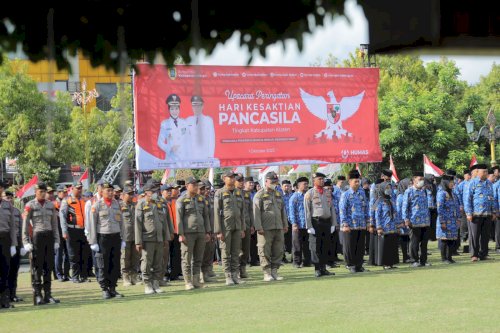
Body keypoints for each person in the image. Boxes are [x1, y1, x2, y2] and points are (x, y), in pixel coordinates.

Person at [22, 182, 60, 305]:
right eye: (40, 192)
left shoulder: (51, 205)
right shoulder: (30, 205)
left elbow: (54, 224)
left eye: (44, 192)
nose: (43, 194)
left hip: (49, 236)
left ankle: (48, 295)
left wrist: (56, 240)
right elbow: (26, 225)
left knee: (48, 267)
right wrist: (26, 242)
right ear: (36, 192)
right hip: (37, 237)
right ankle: (38, 295)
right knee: (37, 268)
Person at [89, 181, 125, 299]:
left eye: (111, 191)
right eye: (107, 191)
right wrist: (93, 241)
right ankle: (104, 289)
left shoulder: (117, 204)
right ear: (102, 191)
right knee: (103, 264)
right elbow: (92, 224)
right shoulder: (97, 205)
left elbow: (122, 223)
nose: (110, 193)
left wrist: (123, 238)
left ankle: (113, 288)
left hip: (115, 236)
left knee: (114, 263)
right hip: (103, 237)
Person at [135, 179, 169, 294]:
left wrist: (165, 238)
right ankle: (147, 284)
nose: (156, 193)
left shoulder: (158, 203)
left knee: (158, 262)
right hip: (147, 238)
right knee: (147, 262)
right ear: (147, 192)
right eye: (153, 191)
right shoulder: (141, 203)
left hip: (159, 238)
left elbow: (163, 222)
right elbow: (138, 224)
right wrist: (138, 242)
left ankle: (156, 283)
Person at [176, 177, 211, 290]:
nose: (196, 187)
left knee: (198, 258)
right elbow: (179, 219)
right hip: (188, 233)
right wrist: (181, 234)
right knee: (186, 258)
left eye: (197, 185)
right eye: (193, 185)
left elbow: (206, 216)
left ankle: (196, 281)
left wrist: (207, 231)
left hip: (200, 232)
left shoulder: (201, 199)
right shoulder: (181, 200)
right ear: (187, 186)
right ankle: (188, 282)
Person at [253, 171, 288, 282]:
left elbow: (283, 211)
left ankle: (274, 271)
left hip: (278, 227)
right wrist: (258, 227)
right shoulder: (260, 195)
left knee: (278, 250)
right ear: (266, 181)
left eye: (276, 182)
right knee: (264, 250)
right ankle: (267, 273)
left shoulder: (278, 194)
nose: (274, 183)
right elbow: (256, 212)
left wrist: (285, 224)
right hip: (265, 228)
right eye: (272, 181)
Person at [214, 171, 246, 285]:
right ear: (224, 179)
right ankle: (228, 276)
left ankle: (235, 275)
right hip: (225, 227)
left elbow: (242, 212)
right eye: (230, 177)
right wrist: (218, 231)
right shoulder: (220, 193)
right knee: (226, 252)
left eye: (233, 178)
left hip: (237, 226)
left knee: (236, 252)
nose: (232, 179)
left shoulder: (238, 192)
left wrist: (242, 228)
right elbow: (216, 212)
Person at [304, 173, 336, 277]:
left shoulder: (327, 192)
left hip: (326, 222)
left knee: (326, 245)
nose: (322, 181)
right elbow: (307, 211)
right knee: (315, 246)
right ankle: (317, 268)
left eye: (323, 179)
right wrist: (309, 226)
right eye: (320, 179)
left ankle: (324, 268)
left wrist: (333, 224)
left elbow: (332, 209)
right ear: (314, 180)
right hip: (316, 222)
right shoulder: (310, 193)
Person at [464, 164, 497, 261]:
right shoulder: (472, 183)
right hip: (475, 214)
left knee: (485, 235)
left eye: (487, 172)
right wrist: (469, 213)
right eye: (484, 172)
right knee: (475, 235)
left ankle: (484, 254)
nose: (486, 173)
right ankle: (474, 255)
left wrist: (494, 211)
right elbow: (467, 199)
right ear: (477, 172)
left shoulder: (489, 183)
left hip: (487, 214)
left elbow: (493, 198)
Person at [59, 182, 90, 284]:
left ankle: (84, 276)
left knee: (84, 253)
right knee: (73, 254)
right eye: (78, 188)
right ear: (72, 188)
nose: (80, 190)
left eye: (81, 188)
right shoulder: (66, 200)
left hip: (84, 230)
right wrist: (64, 231)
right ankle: (75, 276)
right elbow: (62, 217)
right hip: (72, 230)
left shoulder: (84, 200)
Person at [339, 170, 369, 273]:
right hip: (350, 225)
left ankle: (359, 265)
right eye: (355, 181)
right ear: (350, 181)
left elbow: (366, 207)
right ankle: (351, 265)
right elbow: (342, 210)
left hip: (361, 224)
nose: (358, 183)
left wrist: (368, 222)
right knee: (350, 246)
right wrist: (345, 224)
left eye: (358, 181)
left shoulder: (362, 193)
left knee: (360, 246)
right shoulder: (345, 194)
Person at [402, 171, 431, 267]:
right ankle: (414, 260)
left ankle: (423, 260)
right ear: (414, 181)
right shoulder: (409, 191)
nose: (422, 181)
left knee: (424, 242)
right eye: (419, 180)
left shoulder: (424, 191)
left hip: (425, 221)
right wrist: (406, 219)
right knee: (414, 241)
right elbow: (405, 206)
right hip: (414, 221)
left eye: (422, 179)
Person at [157, 93, 191, 161]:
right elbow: (160, 142)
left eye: (176, 109)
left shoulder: (184, 123)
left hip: (184, 158)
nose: (174, 112)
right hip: (171, 158)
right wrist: (170, 148)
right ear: (169, 110)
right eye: (172, 109)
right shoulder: (165, 124)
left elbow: (189, 139)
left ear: (179, 109)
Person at [4, 191, 24, 304]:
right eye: (7, 197)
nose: (9, 199)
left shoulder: (16, 211)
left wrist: (21, 245)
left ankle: (13, 294)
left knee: (14, 270)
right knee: (4, 271)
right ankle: (4, 296)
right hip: (4, 243)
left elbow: (21, 230)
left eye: (11, 197)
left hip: (15, 244)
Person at [374, 181, 399, 269]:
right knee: (386, 246)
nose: (389, 190)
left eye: (389, 188)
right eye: (386, 188)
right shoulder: (379, 201)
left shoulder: (391, 200)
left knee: (392, 245)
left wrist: (398, 224)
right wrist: (379, 227)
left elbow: (395, 213)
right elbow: (377, 215)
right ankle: (386, 264)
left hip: (392, 226)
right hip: (384, 227)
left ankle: (391, 263)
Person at [0, 184, 17, 309]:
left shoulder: (8, 205)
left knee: (5, 269)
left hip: (5, 239)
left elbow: (12, 226)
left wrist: (13, 244)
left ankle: (5, 300)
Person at [436, 175, 460, 264]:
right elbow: (440, 208)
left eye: (453, 182)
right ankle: (444, 258)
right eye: (450, 182)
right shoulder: (441, 193)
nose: (452, 184)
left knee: (451, 239)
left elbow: (457, 206)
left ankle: (449, 257)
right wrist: (442, 221)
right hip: (445, 220)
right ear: (446, 183)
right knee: (444, 240)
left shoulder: (453, 193)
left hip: (453, 220)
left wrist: (458, 218)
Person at [289, 177, 311, 268]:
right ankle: (296, 262)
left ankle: (307, 261)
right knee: (297, 244)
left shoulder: (308, 195)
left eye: (307, 184)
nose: (306, 186)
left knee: (307, 244)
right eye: (304, 184)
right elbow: (291, 211)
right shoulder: (294, 197)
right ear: (298, 186)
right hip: (298, 225)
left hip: (307, 224)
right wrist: (294, 223)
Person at [186, 95, 216, 160]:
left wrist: (210, 157)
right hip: (191, 157)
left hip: (204, 156)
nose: (196, 107)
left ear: (202, 106)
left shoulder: (208, 120)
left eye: (198, 105)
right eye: (194, 105)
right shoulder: (188, 120)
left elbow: (211, 140)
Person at [120, 185, 139, 287]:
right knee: (125, 257)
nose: (131, 196)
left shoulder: (135, 205)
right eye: (129, 194)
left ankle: (134, 276)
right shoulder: (119, 205)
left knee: (135, 256)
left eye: (132, 194)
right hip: (124, 236)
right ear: (123, 195)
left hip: (135, 235)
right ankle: (126, 277)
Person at [236, 174, 254, 279]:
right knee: (236, 249)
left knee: (246, 249)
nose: (241, 182)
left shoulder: (246, 194)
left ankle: (243, 269)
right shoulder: (232, 193)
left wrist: (252, 224)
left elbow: (250, 210)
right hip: (236, 225)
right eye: (239, 180)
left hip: (246, 224)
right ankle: (236, 270)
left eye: (242, 180)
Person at [199, 180, 217, 282]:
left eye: (209, 189)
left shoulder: (210, 199)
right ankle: (200, 274)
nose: (208, 191)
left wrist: (214, 230)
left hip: (211, 229)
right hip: (202, 230)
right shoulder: (199, 200)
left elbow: (213, 216)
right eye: (206, 189)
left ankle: (206, 272)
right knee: (201, 253)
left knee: (209, 252)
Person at [53, 186, 70, 282]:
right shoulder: (53, 204)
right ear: (58, 193)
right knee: (59, 253)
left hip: (67, 230)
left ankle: (67, 274)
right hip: (58, 231)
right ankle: (59, 274)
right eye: (63, 192)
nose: (65, 194)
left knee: (68, 253)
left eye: (66, 192)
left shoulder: (68, 202)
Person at [396, 179, 412, 263]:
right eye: (408, 184)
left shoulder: (408, 194)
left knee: (408, 239)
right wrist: (400, 222)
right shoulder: (400, 197)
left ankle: (408, 255)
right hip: (403, 221)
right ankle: (405, 256)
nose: (410, 186)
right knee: (404, 239)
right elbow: (399, 211)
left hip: (409, 220)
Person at [457, 170, 472, 253]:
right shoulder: (462, 184)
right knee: (463, 224)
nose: (467, 177)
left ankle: (469, 239)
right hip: (463, 208)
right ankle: (463, 237)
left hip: (471, 208)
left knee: (470, 225)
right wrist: (461, 205)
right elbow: (458, 194)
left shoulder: (472, 183)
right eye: (466, 175)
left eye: (468, 175)